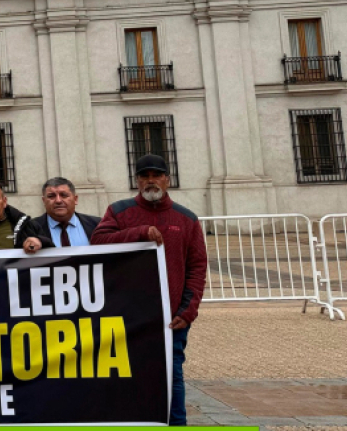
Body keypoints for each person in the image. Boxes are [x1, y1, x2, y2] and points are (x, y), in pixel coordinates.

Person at [93, 154, 206, 427]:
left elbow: (197, 267)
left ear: (168, 180)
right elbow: (98, 240)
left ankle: (175, 424)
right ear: (137, 181)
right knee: (129, 375)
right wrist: (139, 232)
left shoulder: (187, 219)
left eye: (157, 175)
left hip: (171, 316)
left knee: (172, 375)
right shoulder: (119, 211)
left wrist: (188, 310)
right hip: (128, 315)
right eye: (145, 176)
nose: (151, 180)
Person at [18, 176, 100, 253]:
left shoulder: (97, 225)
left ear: (75, 199)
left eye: (64, 195)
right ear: (44, 201)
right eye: (51, 196)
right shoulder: (30, 228)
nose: (58, 201)